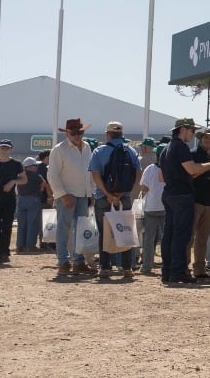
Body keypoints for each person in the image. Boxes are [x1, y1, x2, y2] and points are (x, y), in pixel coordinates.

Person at [161, 119, 210, 286]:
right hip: (182, 195)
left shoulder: (166, 148)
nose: (193, 134)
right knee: (181, 236)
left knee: (169, 235)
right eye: (192, 131)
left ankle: (167, 271)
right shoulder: (181, 147)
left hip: (169, 193)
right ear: (183, 129)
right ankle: (178, 271)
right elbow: (192, 170)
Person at [88, 122, 141, 280]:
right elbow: (137, 174)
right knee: (125, 231)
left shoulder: (99, 150)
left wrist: (108, 194)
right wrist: (124, 193)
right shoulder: (130, 150)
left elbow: (95, 175)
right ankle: (127, 268)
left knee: (104, 233)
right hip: (124, 197)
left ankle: (105, 267)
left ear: (107, 134)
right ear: (121, 134)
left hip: (103, 197)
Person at [50, 119, 96, 279]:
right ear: (67, 133)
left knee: (81, 229)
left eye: (80, 132)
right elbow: (52, 175)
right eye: (74, 132)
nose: (77, 135)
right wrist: (62, 195)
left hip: (83, 195)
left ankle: (78, 261)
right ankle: (63, 262)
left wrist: (90, 193)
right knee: (64, 228)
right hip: (67, 195)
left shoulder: (87, 147)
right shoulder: (59, 149)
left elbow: (89, 172)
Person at [190, 129, 210, 278]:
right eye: (206, 138)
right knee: (189, 237)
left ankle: (199, 269)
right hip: (194, 200)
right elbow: (192, 173)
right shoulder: (192, 154)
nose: (208, 140)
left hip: (209, 201)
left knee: (203, 238)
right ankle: (183, 267)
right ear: (201, 139)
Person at [0, 140, 22, 265]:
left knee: (7, 226)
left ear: (11, 149)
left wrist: (13, 181)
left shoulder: (16, 164)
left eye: (7, 148)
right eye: (2, 148)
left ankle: (4, 252)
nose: (4, 150)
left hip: (9, 200)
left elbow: (24, 179)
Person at [136, 141, 164, 276]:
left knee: (148, 238)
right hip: (167, 207)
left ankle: (146, 266)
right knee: (166, 238)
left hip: (151, 206)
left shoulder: (150, 168)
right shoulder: (172, 168)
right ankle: (167, 264)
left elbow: (144, 188)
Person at [15, 156, 47, 253]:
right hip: (33, 200)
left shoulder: (19, 175)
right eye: (35, 165)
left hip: (20, 199)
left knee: (21, 224)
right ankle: (30, 246)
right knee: (32, 223)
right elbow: (43, 185)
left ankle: (20, 246)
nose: (36, 167)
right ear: (30, 166)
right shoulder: (37, 176)